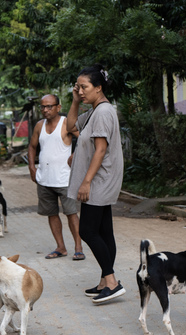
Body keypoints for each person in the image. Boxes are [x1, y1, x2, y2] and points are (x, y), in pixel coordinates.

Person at [66, 64, 125, 304]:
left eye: (84, 87)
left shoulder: (102, 112)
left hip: (99, 180)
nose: (80, 90)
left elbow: (101, 149)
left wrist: (86, 182)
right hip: (101, 179)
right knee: (104, 231)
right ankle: (105, 280)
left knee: (87, 231)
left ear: (98, 88)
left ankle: (112, 281)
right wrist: (75, 102)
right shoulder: (95, 110)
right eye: (77, 86)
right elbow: (70, 127)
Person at [28, 94, 84, 261]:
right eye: (43, 107)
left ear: (58, 107)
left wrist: (75, 154)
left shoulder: (66, 123)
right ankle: (60, 247)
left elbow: (84, 140)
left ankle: (78, 248)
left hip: (64, 179)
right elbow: (32, 146)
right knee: (51, 213)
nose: (45, 110)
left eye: (49, 106)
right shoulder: (39, 125)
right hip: (44, 179)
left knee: (71, 213)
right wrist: (31, 166)